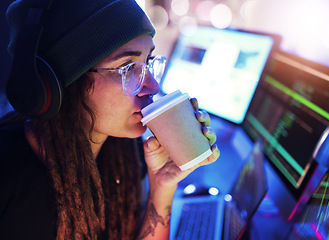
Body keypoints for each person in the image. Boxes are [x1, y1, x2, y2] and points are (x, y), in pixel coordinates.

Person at [0, 0, 220, 239]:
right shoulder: (8, 178)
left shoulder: (126, 152)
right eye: (128, 68)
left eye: (147, 63)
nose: (153, 86)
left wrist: (162, 185)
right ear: (62, 84)